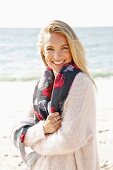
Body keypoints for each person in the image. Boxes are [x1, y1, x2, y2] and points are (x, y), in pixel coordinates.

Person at [11, 20, 100, 170]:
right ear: (43, 52)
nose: (57, 55)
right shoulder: (43, 85)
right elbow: (20, 130)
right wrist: (43, 129)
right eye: (50, 49)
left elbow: (69, 140)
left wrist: (36, 143)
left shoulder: (80, 82)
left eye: (63, 48)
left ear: (72, 49)